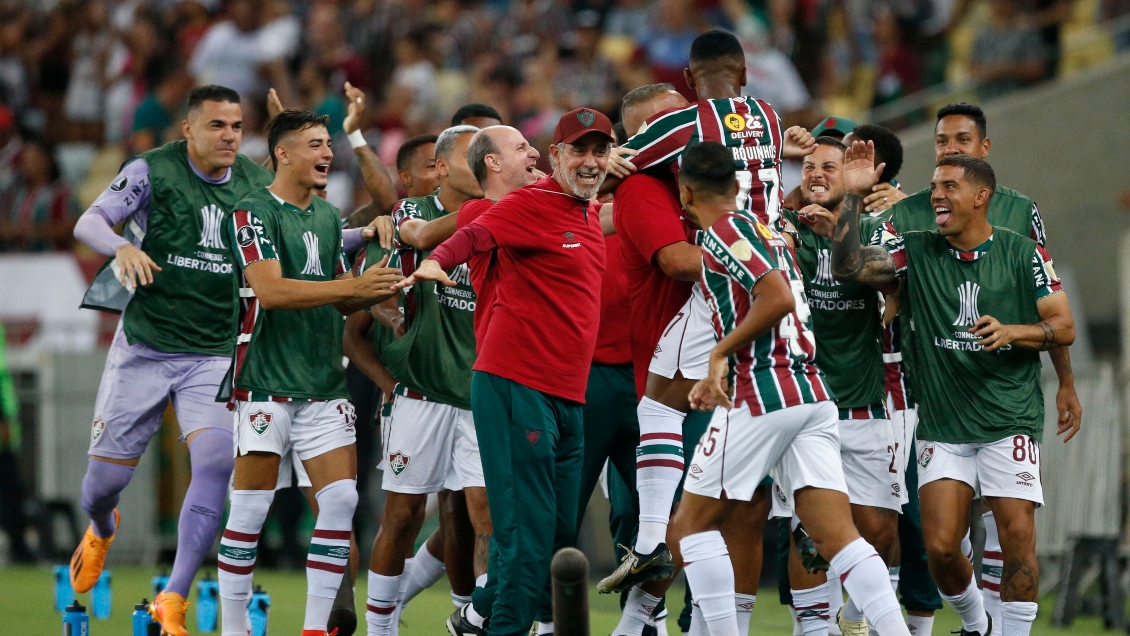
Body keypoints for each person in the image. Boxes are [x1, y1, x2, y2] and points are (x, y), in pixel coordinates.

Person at [602, 31, 814, 623]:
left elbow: (619, 164)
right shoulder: (770, 117)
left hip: (725, 276)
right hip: (779, 273)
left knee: (661, 413)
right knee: (761, 500)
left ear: (691, 82)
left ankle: (648, 546)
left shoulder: (685, 126)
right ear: (744, 72)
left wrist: (609, 185)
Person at [669, 141, 911, 636]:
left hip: (763, 391)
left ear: (685, 192)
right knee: (838, 536)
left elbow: (775, 297)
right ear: (737, 187)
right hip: (812, 394)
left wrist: (719, 354)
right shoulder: (769, 232)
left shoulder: (726, 230)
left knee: (689, 527)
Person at [830, 152, 1077, 636]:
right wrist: (853, 196)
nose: (936, 196)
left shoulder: (1024, 253)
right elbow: (850, 267)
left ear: (981, 197)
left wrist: (1015, 333)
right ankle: (976, 623)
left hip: (1009, 416)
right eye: (934, 186)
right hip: (943, 420)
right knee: (941, 547)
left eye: (948, 187)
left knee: (1018, 533)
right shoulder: (917, 249)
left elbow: (1062, 325)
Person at [69, 85, 274, 636]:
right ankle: (100, 527)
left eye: (236, 125)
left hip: (212, 353)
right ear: (188, 129)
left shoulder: (257, 182)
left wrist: (361, 234)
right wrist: (121, 246)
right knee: (101, 486)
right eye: (217, 125)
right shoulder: (151, 171)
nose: (229, 135)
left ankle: (174, 597)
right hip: (145, 348)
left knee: (214, 463)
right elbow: (88, 221)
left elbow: (307, 227)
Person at [400, 107, 612, 636]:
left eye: (599, 150)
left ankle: (479, 612)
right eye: (527, 149)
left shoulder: (578, 209)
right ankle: (500, 625)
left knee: (558, 530)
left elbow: (622, 209)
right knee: (523, 532)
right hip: (518, 381)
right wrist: (436, 259)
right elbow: (468, 234)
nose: (535, 154)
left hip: (568, 392)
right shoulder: (516, 206)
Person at [215, 110, 402, 636]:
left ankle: (315, 629)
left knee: (340, 500)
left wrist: (384, 293)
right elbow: (272, 292)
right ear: (283, 154)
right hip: (266, 383)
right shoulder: (251, 213)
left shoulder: (325, 215)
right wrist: (351, 290)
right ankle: (234, 628)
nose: (326, 154)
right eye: (315, 144)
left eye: (328, 144)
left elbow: (341, 295)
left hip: (323, 384)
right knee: (250, 510)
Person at [362, 125, 489, 635]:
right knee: (405, 515)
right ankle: (380, 629)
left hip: (483, 389)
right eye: (470, 154)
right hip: (422, 390)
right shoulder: (416, 212)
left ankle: (477, 619)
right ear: (438, 169)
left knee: (485, 517)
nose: (482, 162)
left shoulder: (503, 213)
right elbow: (397, 256)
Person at [786, 137, 901, 636]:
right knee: (808, 533)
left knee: (878, 529)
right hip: (805, 399)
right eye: (808, 166)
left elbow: (868, 271)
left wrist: (846, 217)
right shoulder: (785, 228)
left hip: (864, 397)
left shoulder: (879, 225)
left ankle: (852, 617)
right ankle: (812, 629)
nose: (816, 174)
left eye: (830, 167)